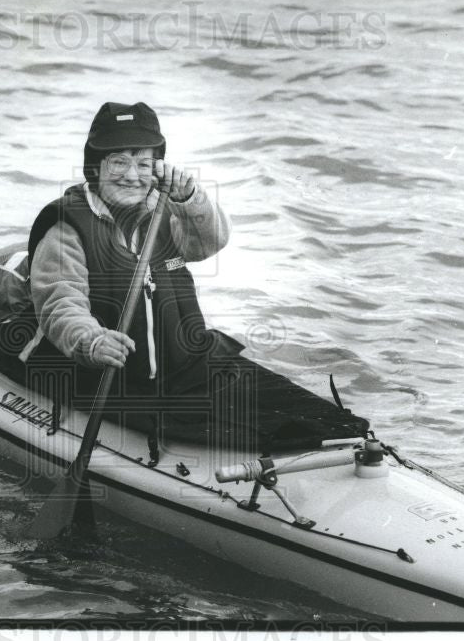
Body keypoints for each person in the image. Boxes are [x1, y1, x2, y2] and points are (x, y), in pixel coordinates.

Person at [22, 101, 369, 455]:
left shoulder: (165, 207)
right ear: (95, 166)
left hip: (194, 365)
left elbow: (210, 242)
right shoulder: (67, 226)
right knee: (272, 435)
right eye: (119, 161)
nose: (132, 175)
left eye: (144, 163)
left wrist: (192, 198)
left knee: (334, 422)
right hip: (114, 381)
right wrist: (91, 342)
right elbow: (60, 302)